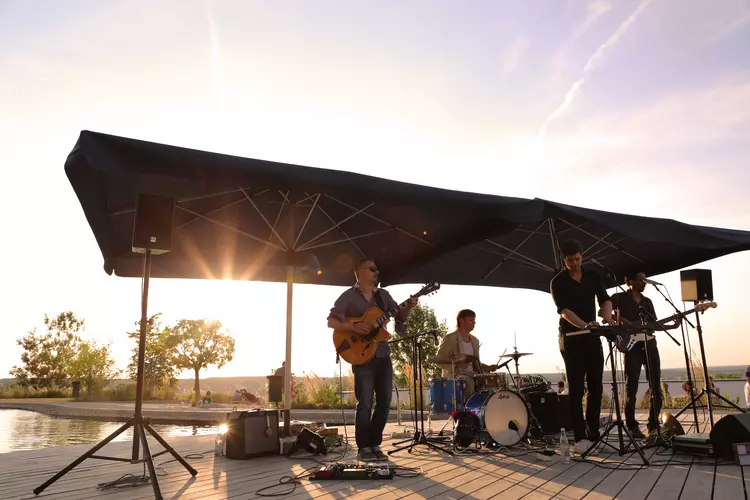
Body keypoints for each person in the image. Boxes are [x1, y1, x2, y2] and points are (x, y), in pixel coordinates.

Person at [327, 258, 417, 461]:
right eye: (372, 269)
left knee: (385, 401)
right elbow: (331, 321)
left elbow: (400, 321)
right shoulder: (348, 297)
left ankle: (375, 443)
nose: (377, 272)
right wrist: (354, 327)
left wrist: (409, 307)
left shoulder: (384, 296)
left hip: (383, 353)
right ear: (360, 272)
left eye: (377, 268)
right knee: (365, 402)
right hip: (361, 355)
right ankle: (363, 447)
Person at [550, 239, 614, 454]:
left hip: (592, 335)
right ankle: (579, 438)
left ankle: (593, 432)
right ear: (564, 260)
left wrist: (608, 319)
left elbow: (605, 300)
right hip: (571, 337)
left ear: (582, 256)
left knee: (595, 387)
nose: (574, 263)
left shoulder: (594, 276)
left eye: (577, 259)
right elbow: (564, 311)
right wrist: (585, 324)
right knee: (576, 389)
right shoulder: (557, 282)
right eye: (570, 260)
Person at [610, 270, 681, 440]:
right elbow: (602, 313)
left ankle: (653, 425)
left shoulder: (647, 302)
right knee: (631, 387)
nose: (644, 283)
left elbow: (653, 324)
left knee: (656, 386)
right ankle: (632, 426)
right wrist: (624, 322)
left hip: (650, 343)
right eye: (641, 280)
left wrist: (673, 326)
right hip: (632, 346)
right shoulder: (619, 297)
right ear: (630, 281)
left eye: (645, 280)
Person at [434, 309, 498, 399]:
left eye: (474, 321)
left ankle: (484, 408)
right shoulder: (451, 338)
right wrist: (457, 365)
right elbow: (439, 360)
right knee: (469, 382)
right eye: (471, 320)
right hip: (456, 376)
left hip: (473, 374)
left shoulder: (475, 340)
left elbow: (476, 362)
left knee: (491, 380)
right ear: (462, 320)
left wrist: (487, 367)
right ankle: (468, 408)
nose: (474, 323)